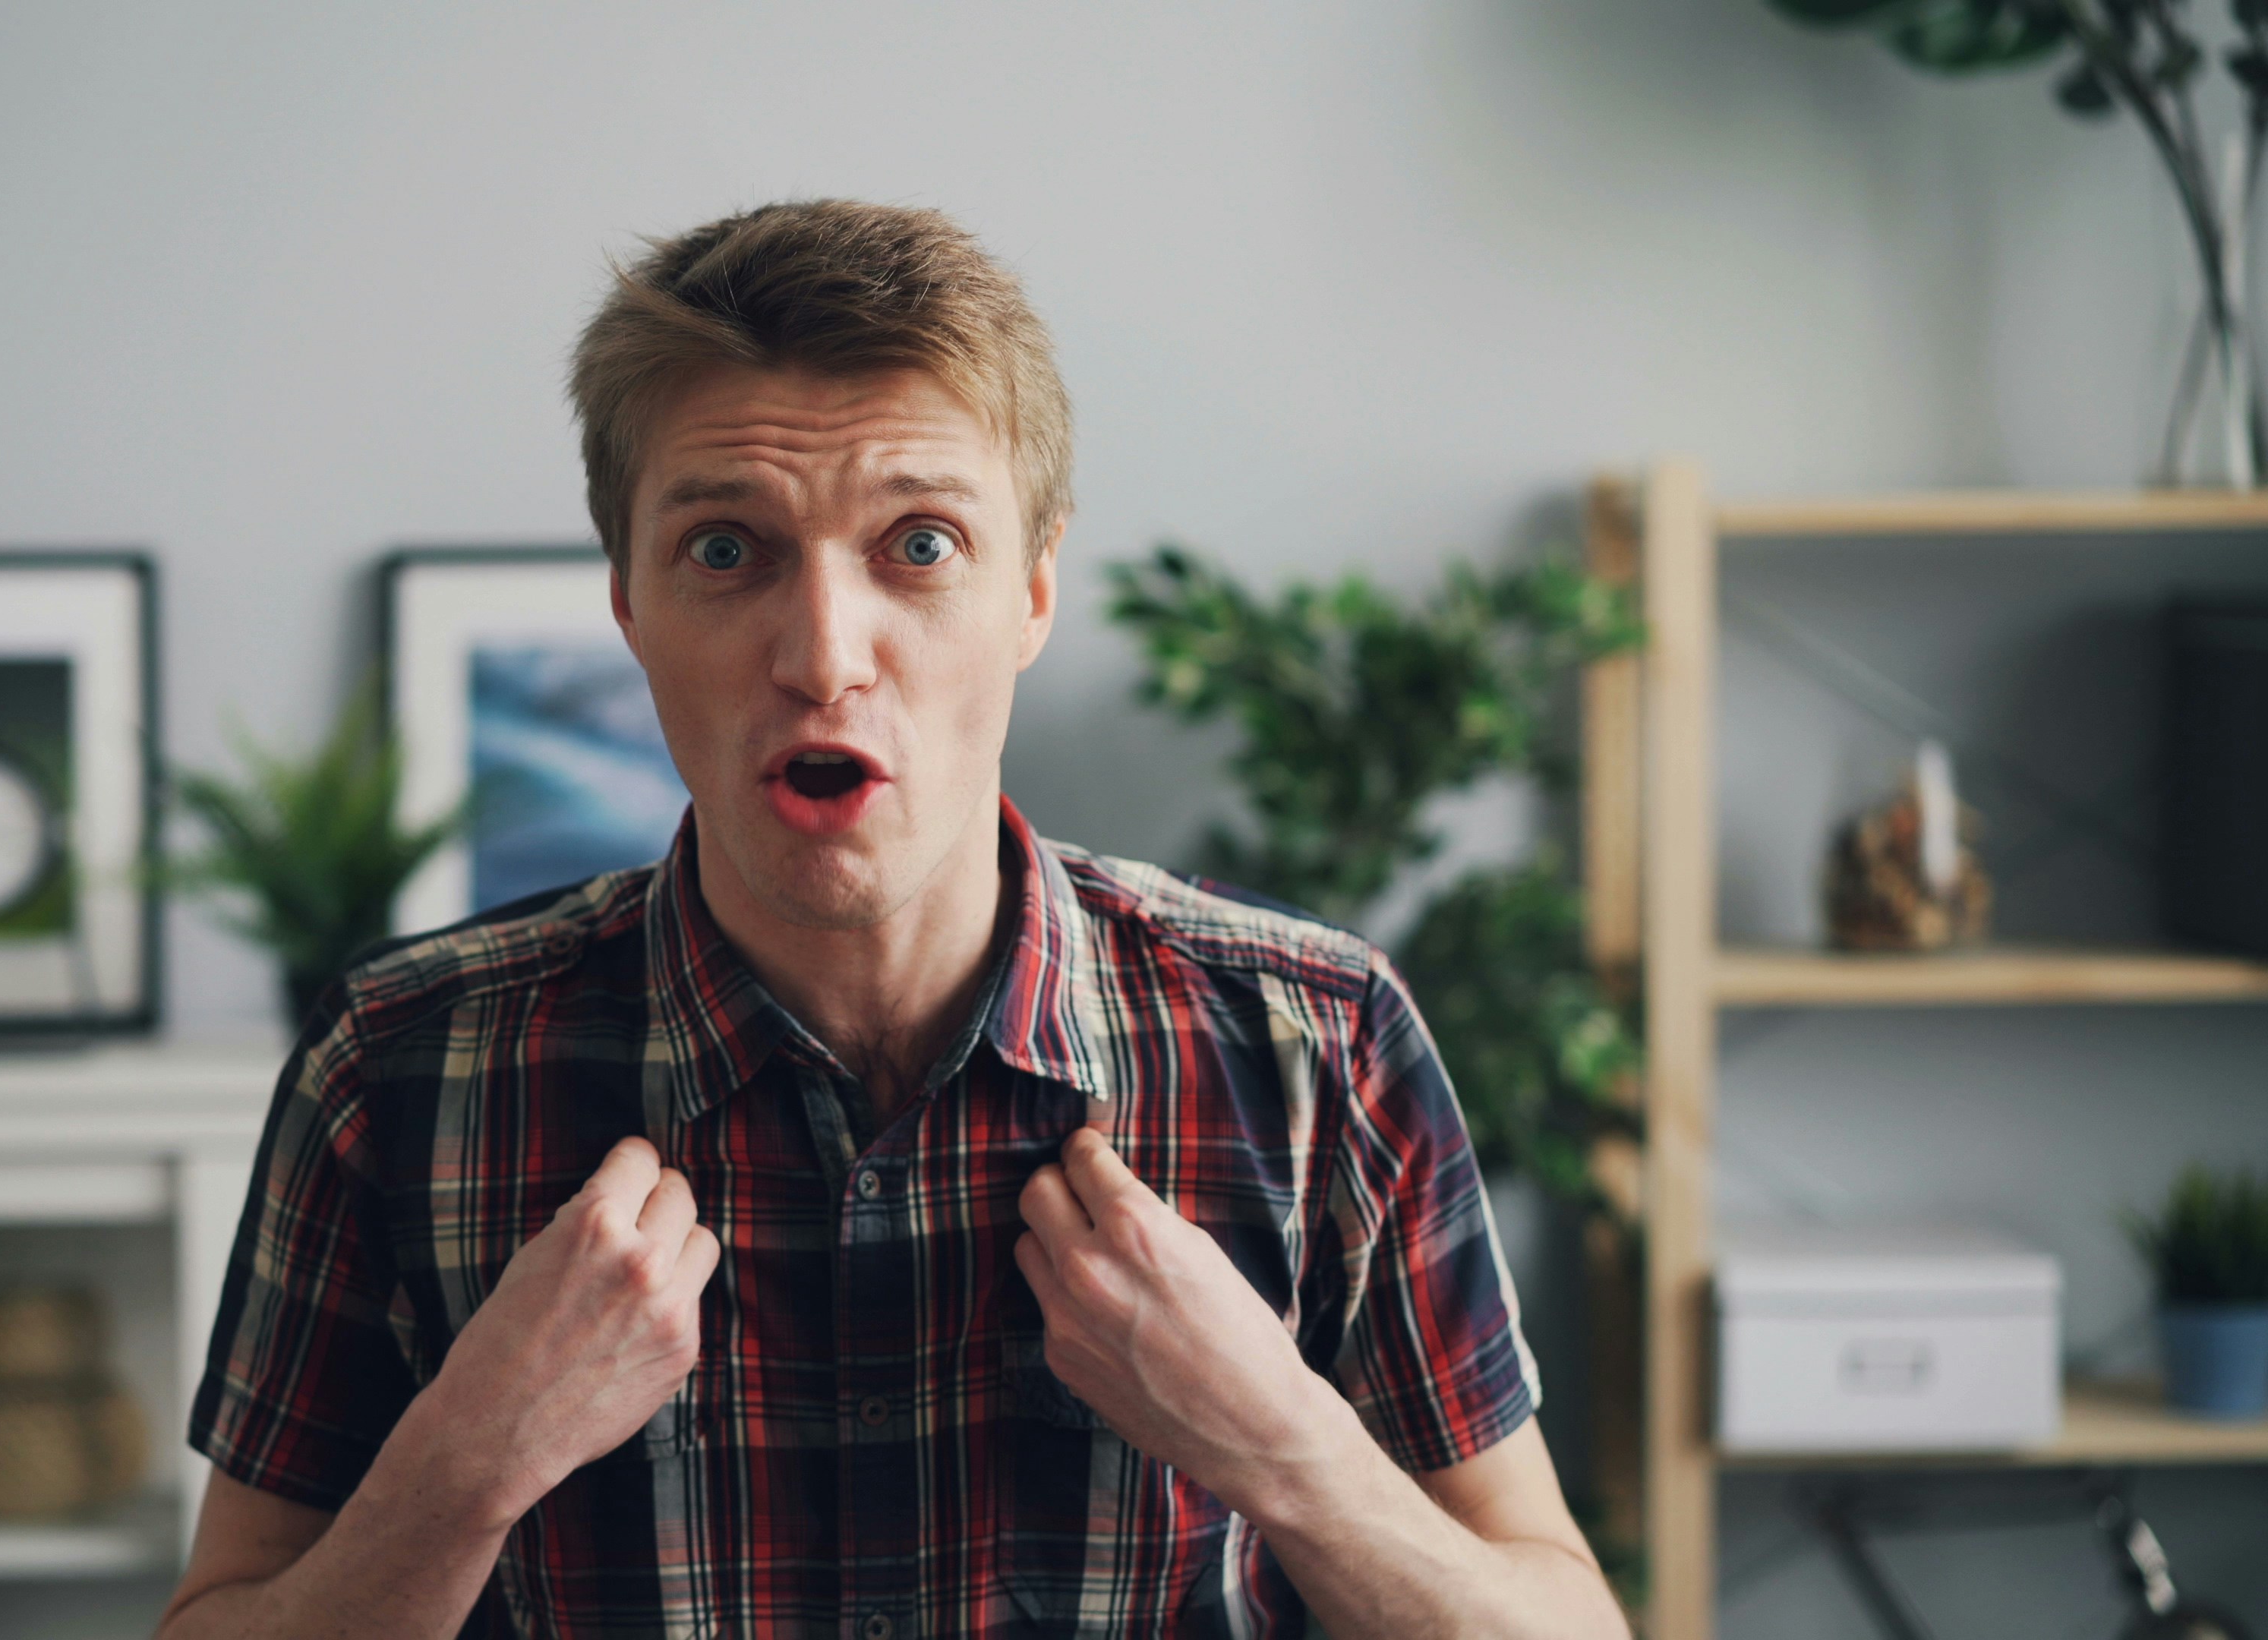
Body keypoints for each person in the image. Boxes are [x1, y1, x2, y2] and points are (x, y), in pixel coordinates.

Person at [156, 200, 1629, 1640]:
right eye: (727, 550)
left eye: (919, 546)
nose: (822, 656)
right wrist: (467, 1464)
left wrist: (1285, 1453)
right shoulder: (394, 1071)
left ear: (1034, 592)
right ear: (628, 605)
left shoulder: (1323, 1046)